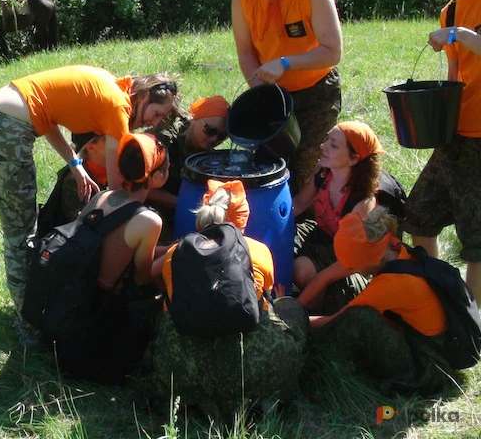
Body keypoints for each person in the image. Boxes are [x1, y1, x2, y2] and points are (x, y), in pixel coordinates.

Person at [0, 65, 179, 345]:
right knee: (21, 233)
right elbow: (119, 188)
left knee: (23, 229)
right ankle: (30, 327)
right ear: (143, 96)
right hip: (5, 128)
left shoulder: (112, 88)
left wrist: (75, 163)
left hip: (1, 120)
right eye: (156, 114)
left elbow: (45, 118)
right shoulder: (118, 105)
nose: (152, 124)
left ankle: (30, 312)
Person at [150, 179, 308, 419]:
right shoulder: (259, 251)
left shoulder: (178, 252)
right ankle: (257, 400)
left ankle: (193, 402)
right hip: (246, 373)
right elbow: (264, 293)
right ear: (244, 218)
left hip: (181, 372)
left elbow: (154, 277)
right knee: (290, 309)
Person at [403, 0, 481, 303]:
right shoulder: (450, 12)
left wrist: (461, 35)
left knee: (476, 240)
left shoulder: (458, 23)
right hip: (457, 133)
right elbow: (456, 73)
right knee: (418, 215)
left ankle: (472, 328)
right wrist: (438, 118)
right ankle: (439, 301)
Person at [51, 132, 169, 383]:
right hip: (103, 311)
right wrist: (173, 254)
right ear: (156, 176)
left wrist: (166, 247)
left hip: (77, 293)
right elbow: (142, 275)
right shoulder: (149, 220)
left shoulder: (102, 196)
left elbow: (117, 246)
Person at [231, 0, 343, 193]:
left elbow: (332, 52)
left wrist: (285, 63)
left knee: (306, 172)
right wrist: (259, 90)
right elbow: (246, 52)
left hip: (316, 92)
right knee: (266, 169)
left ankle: (306, 224)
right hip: (272, 95)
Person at [305, 208, 451, 395]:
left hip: (427, 370)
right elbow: (328, 276)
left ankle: (318, 372)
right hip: (430, 346)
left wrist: (295, 318)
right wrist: (299, 303)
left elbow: (335, 321)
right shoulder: (393, 248)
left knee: (359, 318)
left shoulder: (389, 285)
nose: (349, 268)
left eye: (352, 265)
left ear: (367, 260)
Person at [293, 121, 383, 313]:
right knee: (276, 245)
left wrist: (294, 308)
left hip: (347, 260)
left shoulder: (361, 205)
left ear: (353, 159)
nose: (322, 146)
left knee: (301, 270)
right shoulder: (325, 171)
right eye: (327, 139)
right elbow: (299, 204)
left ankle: (315, 318)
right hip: (322, 234)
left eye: (333, 145)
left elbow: (342, 267)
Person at [149, 95, 229, 239]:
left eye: (221, 136)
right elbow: (140, 187)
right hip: (151, 210)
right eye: (210, 130)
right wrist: (184, 202)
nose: (214, 139)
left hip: (187, 210)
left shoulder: (209, 158)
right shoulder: (163, 140)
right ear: (196, 118)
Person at [37, 132, 108, 237]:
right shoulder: (76, 181)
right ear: (91, 147)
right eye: (111, 140)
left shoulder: (108, 173)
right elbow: (78, 226)